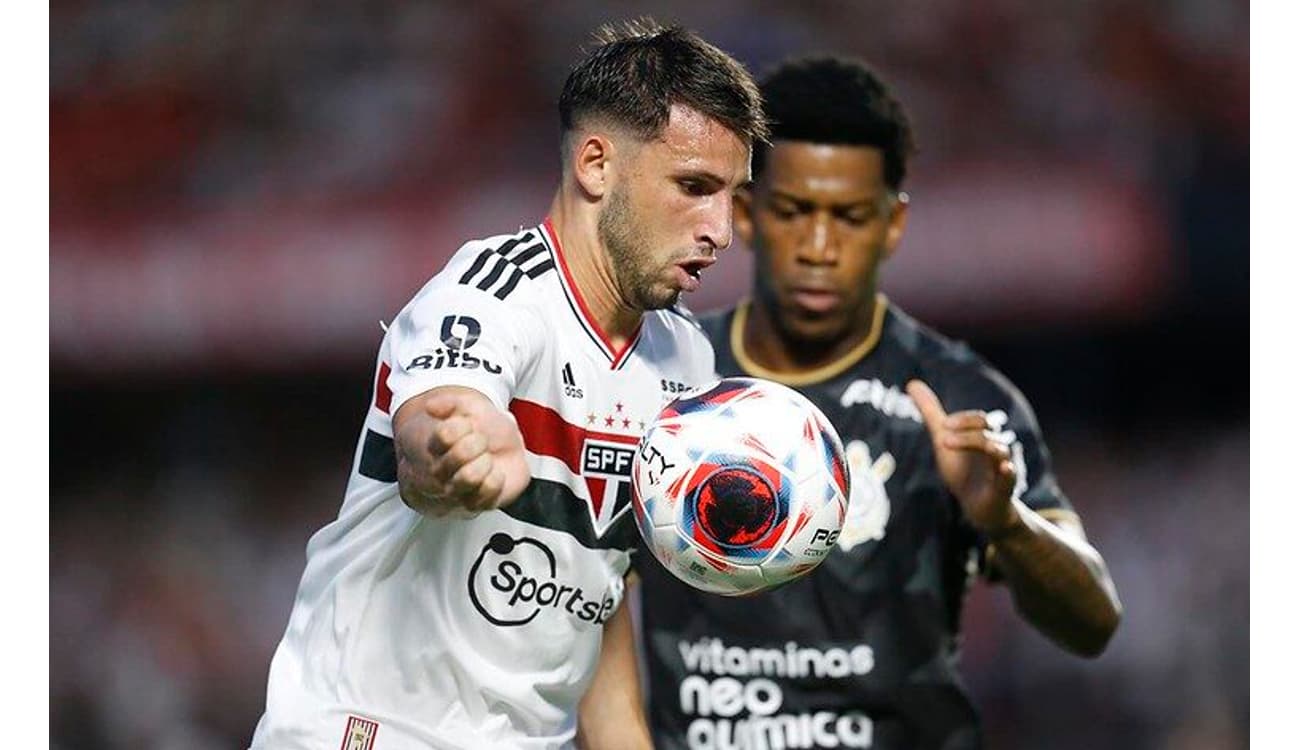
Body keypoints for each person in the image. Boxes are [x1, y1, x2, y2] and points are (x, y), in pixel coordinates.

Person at [249, 20, 766, 750]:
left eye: (731, 196)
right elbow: (431, 434)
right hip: (369, 734)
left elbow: (602, 593)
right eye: (694, 187)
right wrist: (461, 452)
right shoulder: (492, 294)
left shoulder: (686, 366)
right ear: (596, 164)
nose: (720, 229)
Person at [635, 56, 1123, 750]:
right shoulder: (665, 380)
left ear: (893, 226)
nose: (820, 247)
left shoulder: (958, 399)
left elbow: (1094, 622)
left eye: (851, 218)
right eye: (794, 212)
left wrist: (1006, 523)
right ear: (744, 212)